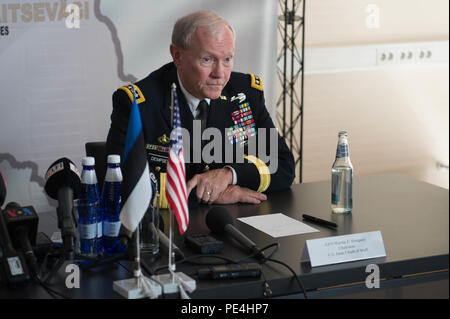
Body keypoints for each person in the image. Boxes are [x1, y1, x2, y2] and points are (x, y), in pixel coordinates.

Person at [106, 10, 295, 208]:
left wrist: (229, 175)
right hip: (166, 229)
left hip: (233, 223)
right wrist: (207, 195)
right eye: (207, 59)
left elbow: (283, 167)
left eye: (227, 59)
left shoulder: (245, 93)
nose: (219, 74)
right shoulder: (138, 104)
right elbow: (121, 184)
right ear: (177, 55)